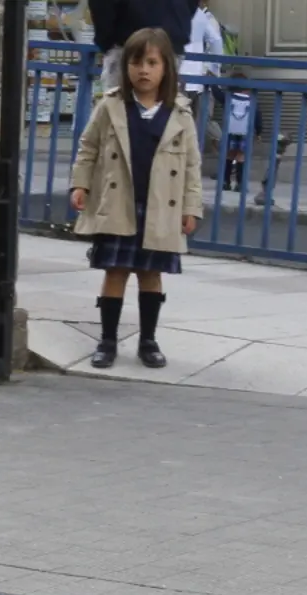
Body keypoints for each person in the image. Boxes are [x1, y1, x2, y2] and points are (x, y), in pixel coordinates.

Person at [70, 28, 204, 370]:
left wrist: (191, 207)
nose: (143, 70)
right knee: (115, 271)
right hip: (119, 202)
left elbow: (192, 166)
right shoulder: (111, 105)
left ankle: (148, 340)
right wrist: (80, 185)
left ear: (165, 69)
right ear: (126, 66)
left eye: (152, 62)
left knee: (150, 274)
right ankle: (108, 340)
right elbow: (89, 148)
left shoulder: (180, 114)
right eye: (135, 62)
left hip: (160, 207)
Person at [91, 0, 199, 92]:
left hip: (127, 40)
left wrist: (106, 42)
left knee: (118, 107)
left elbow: (101, 7)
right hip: (171, 38)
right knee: (164, 107)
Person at [213, 72, 264, 191]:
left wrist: (213, 82)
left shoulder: (228, 97)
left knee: (229, 155)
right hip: (245, 132)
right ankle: (240, 184)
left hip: (230, 130)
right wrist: (259, 132)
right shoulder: (252, 100)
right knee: (241, 156)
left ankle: (226, 182)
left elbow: (217, 94)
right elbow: (258, 116)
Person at [181, 0, 225, 120]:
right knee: (197, 124)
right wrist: (215, 66)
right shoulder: (200, 14)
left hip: (178, 77)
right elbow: (216, 40)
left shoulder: (171, 12)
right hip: (197, 79)